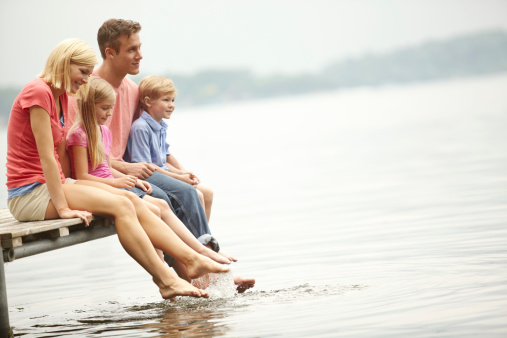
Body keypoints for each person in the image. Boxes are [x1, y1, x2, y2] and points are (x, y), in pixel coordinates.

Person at [6, 38, 229, 301]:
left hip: (53, 187)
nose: (86, 79)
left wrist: (87, 184)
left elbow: (61, 157)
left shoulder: (62, 97)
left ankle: (191, 259)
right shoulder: (38, 92)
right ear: (65, 64)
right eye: (83, 72)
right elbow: (46, 158)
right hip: (30, 193)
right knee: (122, 206)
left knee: (131, 199)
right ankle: (168, 279)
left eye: (89, 73)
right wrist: (65, 206)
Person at [65, 19, 226, 264]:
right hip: (108, 176)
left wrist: (181, 172)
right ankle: (199, 269)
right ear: (110, 53)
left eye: (139, 47)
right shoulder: (86, 93)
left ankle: (204, 265)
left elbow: (155, 141)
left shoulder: (133, 90)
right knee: (172, 197)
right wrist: (127, 169)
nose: (140, 55)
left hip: (133, 170)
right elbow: (81, 157)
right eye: (132, 49)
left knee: (200, 191)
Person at [124, 76, 214, 221]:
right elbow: (146, 167)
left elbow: (165, 156)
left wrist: (183, 172)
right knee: (196, 194)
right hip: (152, 178)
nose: (171, 105)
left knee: (207, 192)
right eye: (166, 100)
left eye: (172, 100)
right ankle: (192, 240)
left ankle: (203, 238)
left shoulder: (160, 126)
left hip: (165, 175)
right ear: (148, 102)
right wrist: (179, 178)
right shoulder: (140, 128)